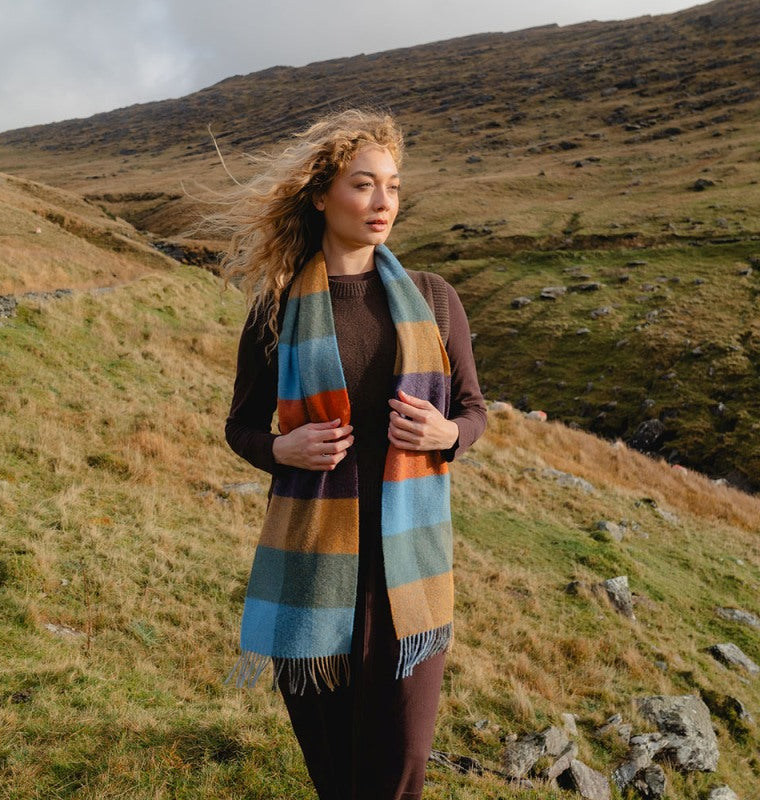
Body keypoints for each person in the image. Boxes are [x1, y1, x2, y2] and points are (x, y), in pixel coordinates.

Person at [221, 109, 487, 800]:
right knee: (336, 771)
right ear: (321, 195)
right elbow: (240, 426)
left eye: (392, 188)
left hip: (410, 571)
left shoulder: (434, 299)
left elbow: (474, 412)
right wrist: (285, 447)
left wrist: (447, 435)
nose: (382, 203)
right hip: (313, 570)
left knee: (399, 765)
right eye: (364, 185)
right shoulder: (276, 310)